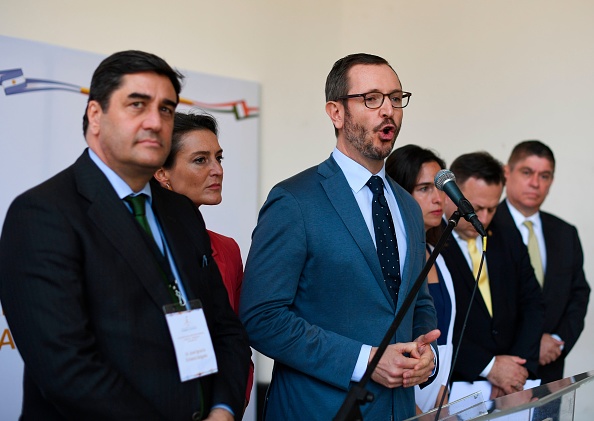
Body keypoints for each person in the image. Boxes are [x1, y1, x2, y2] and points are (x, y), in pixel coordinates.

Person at [0, 50, 250, 420]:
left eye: (166, 108)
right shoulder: (42, 214)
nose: (155, 121)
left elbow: (226, 329)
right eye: (137, 104)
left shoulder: (181, 213)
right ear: (95, 115)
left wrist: (223, 408)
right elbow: (66, 368)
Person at [239, 53, 439, 420]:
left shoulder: (409, 207)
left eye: (396, 99)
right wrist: (365, 361)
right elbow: (261, 317)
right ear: (335, 112)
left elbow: (418, 303)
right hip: (320, 410)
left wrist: (428, 355)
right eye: (371, 98)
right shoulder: (294, 200)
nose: (388, 111)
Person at [154, 111, 254, 406]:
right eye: (201, 160)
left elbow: (235, 341)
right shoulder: (134, 242)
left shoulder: (227, 249)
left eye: (218, 158)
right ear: (162, 172)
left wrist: (225, 408)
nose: (217, 170)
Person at [440, 151, 544, 400]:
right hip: (455, 387)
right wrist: (489, 367)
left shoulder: (507, 235)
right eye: (475, 208)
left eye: (492, 208)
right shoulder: (429, 243)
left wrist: (515, 370)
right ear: (452, 194)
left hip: (513, 384)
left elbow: (533, 303)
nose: (483, 219)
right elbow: (433, 323)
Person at [495, 140, 590, 384]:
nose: (535, 183)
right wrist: (530, 344)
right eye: (527, 172)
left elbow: (579, 295)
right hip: (501, 372)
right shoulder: (485, 226)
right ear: (508, 172)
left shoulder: (565, 233)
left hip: (550, 371)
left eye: (544, 176)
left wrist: (557, 341)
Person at [386, 144, 456, 413]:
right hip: (401, 397)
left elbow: (447, 334)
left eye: (440, 187)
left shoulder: (434, 251)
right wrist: (412, 409)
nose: (438, 199)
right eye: (424, 188)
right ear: (401, 194)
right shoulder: (393, 256)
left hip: (438, 395)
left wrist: (444, 390)